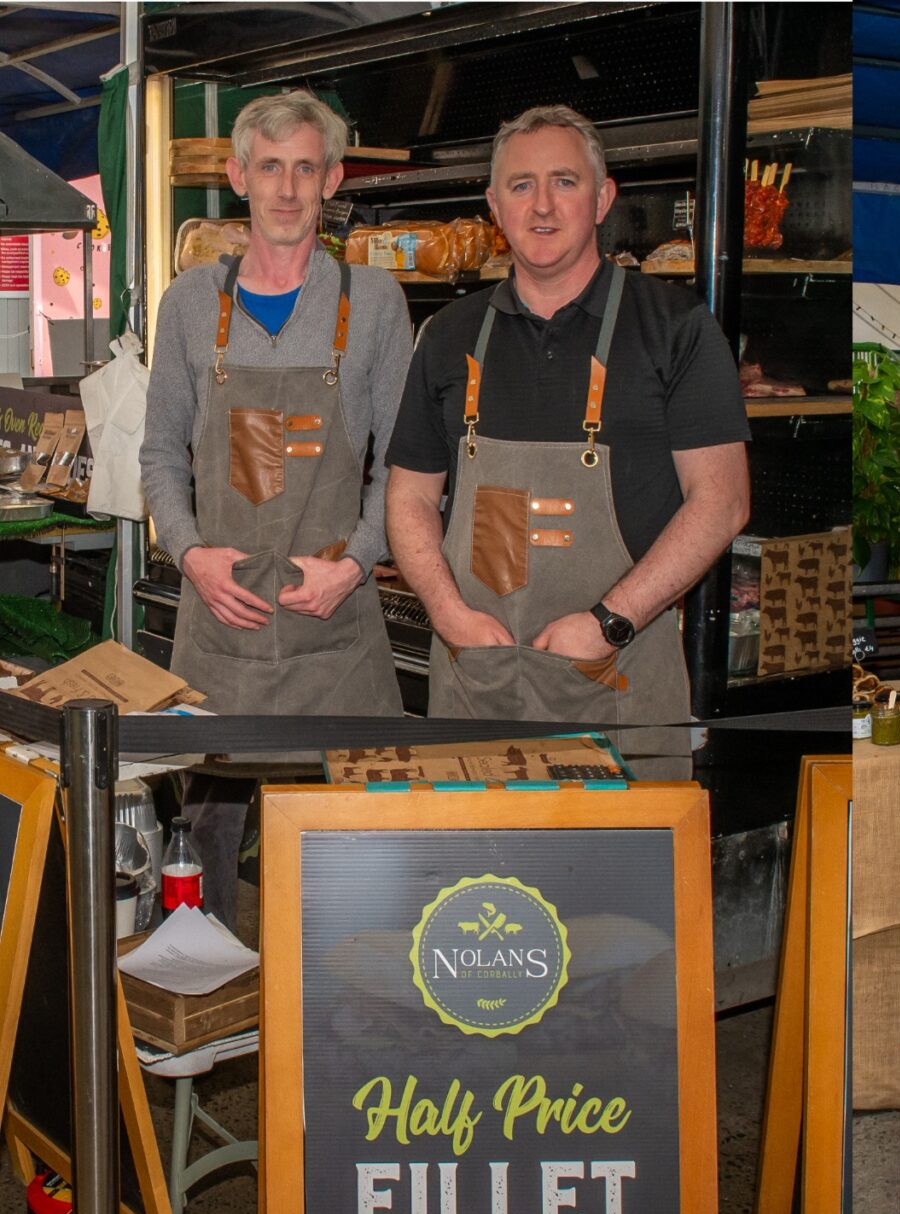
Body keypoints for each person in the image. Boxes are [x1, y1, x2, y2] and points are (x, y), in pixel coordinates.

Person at [387, 105, 750, 780]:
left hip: (618, 687)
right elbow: (409, 496)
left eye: (565, 182)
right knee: (476, 883)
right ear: (495, 206)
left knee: (621, 882)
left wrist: (611, 621)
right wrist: (447, 611)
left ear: (604, 196)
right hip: (477, 689)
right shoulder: (447, 336)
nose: (543, 206)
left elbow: (722, 502)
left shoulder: (677, 329)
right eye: (522, 186)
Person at [139, 89, 410, 923]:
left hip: (335, 631)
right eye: (269, 168)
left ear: (331, 180)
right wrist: (189, 553)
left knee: (358, 844)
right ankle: (207, 1016)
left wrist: (356, 561)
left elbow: (402, 470)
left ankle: (343, 1015)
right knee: (207, 842)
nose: (287, 190)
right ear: (237, 177)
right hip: (223, 626)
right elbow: (158, 457)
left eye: (305, 168)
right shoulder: (189, 304)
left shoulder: (374, 303)